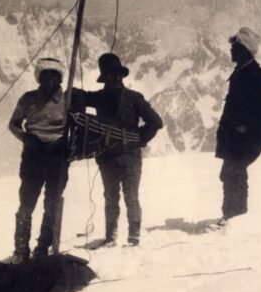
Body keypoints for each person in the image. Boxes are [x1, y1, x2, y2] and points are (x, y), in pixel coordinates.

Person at [82, 53, 163, 247]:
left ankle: (133, 236)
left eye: (118, 74)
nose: (115, 78)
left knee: (131, 197)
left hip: (130, 157)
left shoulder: (135, 99)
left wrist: (138, 139)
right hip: (107, 158)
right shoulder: (98, 98)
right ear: (104, 77)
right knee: (110, 197)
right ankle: (111, 236)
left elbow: (156, 122)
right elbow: (76, 97)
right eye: (110, 74)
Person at [9, 57, 84, 263]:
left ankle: (43, 246)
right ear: (38, 77)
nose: (50, 79)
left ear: (60, 78)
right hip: (33, 155)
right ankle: (20, 250)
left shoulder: (68, 100)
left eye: (54, 75)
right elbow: (14, 124)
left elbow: (79, 123)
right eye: (45, 74)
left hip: (58, 155)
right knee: (27, 201)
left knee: (52, 201)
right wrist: (26, 138)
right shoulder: (28, 99)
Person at [215, 27, 261, 223]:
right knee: (230, 174)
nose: (231, 50)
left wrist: (248, 127)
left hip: (247, 140)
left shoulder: (258, 76)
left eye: (235, 47)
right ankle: (231, 217)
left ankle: (234, 218)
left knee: (234, 173)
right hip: (235, 139)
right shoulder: (239, 75)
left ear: (244, 50)